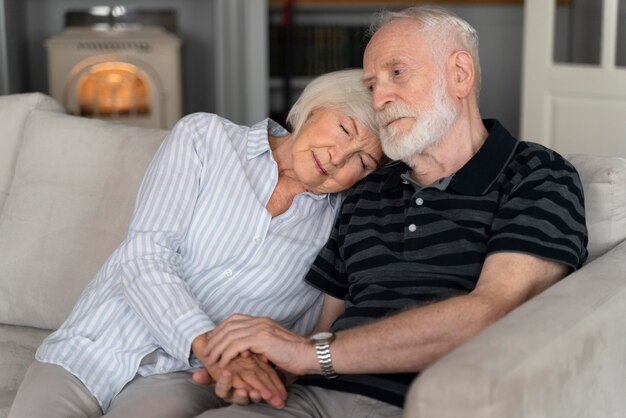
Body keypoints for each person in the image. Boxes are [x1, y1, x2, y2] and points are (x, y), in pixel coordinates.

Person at [192, 6, 589, 418]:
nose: (379, 98)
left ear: (460, 75)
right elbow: (326, 327)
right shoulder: (368, 190)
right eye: (371, 83)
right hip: (312, 396)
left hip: (428, 402)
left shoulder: (538, 174)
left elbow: (493, 311)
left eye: (397, 73)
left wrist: (311, 355)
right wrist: (258, 371)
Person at [8, 69, 384, 418]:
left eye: (363, 161)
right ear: (315, 108)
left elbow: (317, 325)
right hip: (93, 344)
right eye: (343, 129)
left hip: (188, 377)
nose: (339, 159)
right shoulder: (206, 138)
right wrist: (208, 345)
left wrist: (268, 372)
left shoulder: (346, 221)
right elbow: (145, 255)